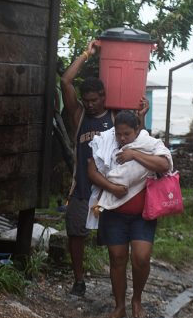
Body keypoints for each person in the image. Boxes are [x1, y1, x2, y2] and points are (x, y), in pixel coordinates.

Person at [60, 40, 148, 296]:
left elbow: (136, 137)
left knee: (114, 242)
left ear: (103, 97)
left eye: (95, 100)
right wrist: (87, 53)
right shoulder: (78, 117)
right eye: (86, 100)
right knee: (76, 233)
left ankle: (116, 287)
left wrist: (141, 116)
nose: (90, 104)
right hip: (82, 187)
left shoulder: (114, 118)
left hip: (109, 189)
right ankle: (79, 281)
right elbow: (66, 82)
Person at [87, 111, 172, 318]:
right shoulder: (106, 143)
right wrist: (112, 187)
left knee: (141, 258)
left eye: (127, 134)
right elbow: (92, 170)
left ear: (137, 131)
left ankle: (137, 299)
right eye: (119, 134)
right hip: (115, 213)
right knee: (117, 258)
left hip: (143, 214)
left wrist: (134, 154)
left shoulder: (149, 144)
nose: (122, 138)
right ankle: (119, 306)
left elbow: (164, 164)